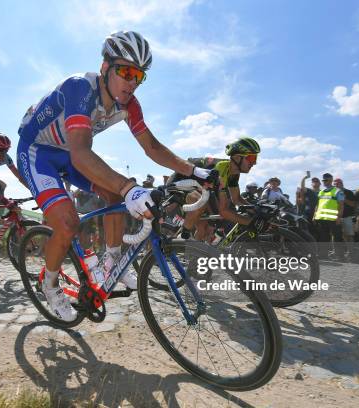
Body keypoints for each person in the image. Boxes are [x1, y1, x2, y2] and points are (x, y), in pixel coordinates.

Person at [16, 31, 216, 321]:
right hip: (39, 152)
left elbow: (152, 147)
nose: (132, 82)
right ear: (105, 68)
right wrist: (129, 188)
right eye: (126, 71)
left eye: (139, 76)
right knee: (69, 222)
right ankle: (49, 283)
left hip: (71, 151)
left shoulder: (129, 105)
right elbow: (81, 153)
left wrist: (194, 170)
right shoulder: (79, 88)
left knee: (111, 197)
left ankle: (111, 263)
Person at [313, 173, 344, 260]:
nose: (324, 182)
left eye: (326, 180)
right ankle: (323, 255)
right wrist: (314, 215)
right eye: (323, 180)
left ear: (331, 180)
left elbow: (341, 205)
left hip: (333, 218)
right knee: (323, 238)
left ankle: (340, 256)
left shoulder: (337, 191)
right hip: (322, 219)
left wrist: (339, 217)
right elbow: (317, 205)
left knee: (337, 237)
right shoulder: (321, 192)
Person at [333, 177, 357, 254]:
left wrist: (344, 199)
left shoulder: (349, 192)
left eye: (338, 183)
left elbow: (353, 204)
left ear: (342, 184)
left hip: (347, 217)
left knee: (349, 235)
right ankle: (340, 252)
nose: (336, 185)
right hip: (336, 217)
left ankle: (351, 252)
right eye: (335, 184)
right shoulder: (333, 193)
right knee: (338, 236)